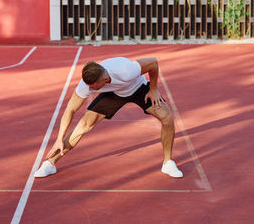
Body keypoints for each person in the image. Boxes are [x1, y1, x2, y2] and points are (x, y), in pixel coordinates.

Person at [34, 56, 183, 178]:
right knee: (84, 125)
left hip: (137, 88)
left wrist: (154, 89)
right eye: (89, 87)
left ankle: (168, 163)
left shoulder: (127, 71)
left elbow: (153, 62)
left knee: (167, 117)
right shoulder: (87, 83)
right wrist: (59, 138)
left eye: (93, 87)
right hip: (114, 94)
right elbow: (70, 109)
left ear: (104, 79)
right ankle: (50, 163)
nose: (90, 90)